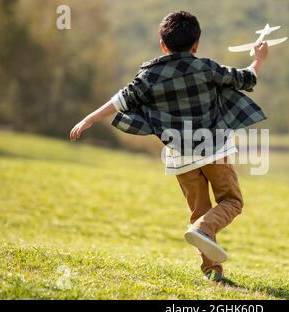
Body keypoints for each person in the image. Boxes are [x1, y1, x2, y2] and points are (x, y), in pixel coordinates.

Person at [70, 11, 268, 283]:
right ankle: (204, 229)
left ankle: (211, 271)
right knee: (231, 201)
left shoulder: (150, 75)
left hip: (180, 158)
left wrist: (89, 119)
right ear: (196, 44)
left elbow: (120, 100)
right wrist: (258, 59)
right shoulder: (207, 68)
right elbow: (246, 79)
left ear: (163, 45)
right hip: (214, 150)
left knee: (199, 209)